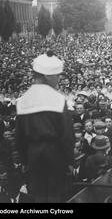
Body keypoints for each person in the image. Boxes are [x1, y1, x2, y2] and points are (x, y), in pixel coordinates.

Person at [15, 51, 75, 203]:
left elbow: (19, 138)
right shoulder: (59, 99)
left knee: (37, 196)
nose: (59, 79)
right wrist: (69, 161)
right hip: (55, 155)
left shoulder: (22, 100)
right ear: (48, 76)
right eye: (57, 75)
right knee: (55, 196)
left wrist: (24, 161)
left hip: (33, 155)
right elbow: (67, 136)